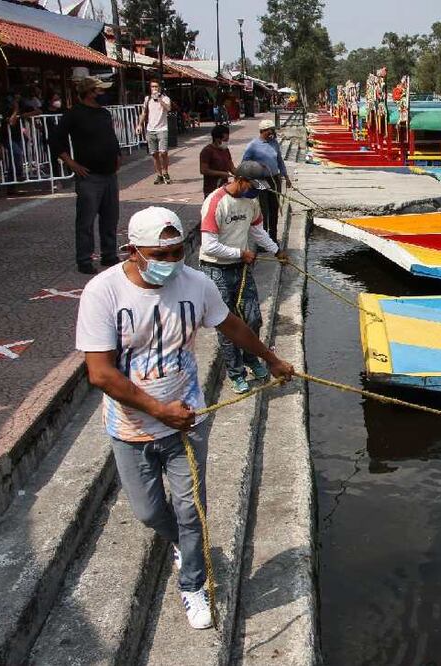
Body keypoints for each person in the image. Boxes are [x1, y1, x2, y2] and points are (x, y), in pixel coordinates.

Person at [76, 207, 295, 630]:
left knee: (192, 510)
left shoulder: (196, 284)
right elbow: (100, 372)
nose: (173, 261)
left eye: (179, 251)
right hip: (131, 426)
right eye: (163, 253)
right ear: (134, 252)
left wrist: (271, 359)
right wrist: (158, 410)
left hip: (187, 419)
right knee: (147, 512)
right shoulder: (103, 292)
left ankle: (194, 584)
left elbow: (232, 326)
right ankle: (182, 542)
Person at [200, 160, 289, 394]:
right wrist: (240, 253)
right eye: (251, 186)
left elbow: (257, 231)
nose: (253, 191)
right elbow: (209, 246)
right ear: (239, 180)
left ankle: (252, 359)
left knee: (253, 319)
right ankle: (236, 373)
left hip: (240, 267)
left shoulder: (251, 202)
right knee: (228, 325)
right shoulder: (216, 202)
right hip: (216, 269)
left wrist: (276, 250)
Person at [49, 76, 122, 274]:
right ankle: (84, 260)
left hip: (109, 175)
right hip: (89, 177)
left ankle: (109, 255)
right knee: (86, 221)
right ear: (89, 93)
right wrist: (72, 164)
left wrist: (117, 155)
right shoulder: (74, 114)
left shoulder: (104, 113)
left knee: (110, 218)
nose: (103, 94)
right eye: (99, 91)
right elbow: (55, 140)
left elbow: (110, 137)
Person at [241, 119, 290, 243]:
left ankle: (273, 237)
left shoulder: (274, 143)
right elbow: (244, 163)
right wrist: (256, 167)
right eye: (270, 130)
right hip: (260, 180)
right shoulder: (253, 145)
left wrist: (286, 177)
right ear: (263, 131)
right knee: (264, 210)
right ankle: (263, 240)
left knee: (274, 208)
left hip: (274, 179)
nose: (272, 132)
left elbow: (280, 161)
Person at [139, 80, 171, 184]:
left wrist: (160, 100)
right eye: (152, 87)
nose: (154, 89)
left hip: (162, 129)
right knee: (154, 154)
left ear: (160, 88)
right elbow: (143, 113)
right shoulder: (147, 99)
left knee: (163, 153)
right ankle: (159, 175)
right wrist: (139, 125)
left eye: (156, 87)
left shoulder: (165, 98)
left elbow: (168, 108)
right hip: (150, 129)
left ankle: (166, 172)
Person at [199, 124, 233, 198]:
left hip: (224, 189)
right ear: (217, 139)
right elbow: (203, 170)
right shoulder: (207, 151)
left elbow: (232, 167)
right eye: (225, 140)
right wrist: (221, 173)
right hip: (211, 190)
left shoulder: (226, 150)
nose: (226, 142)